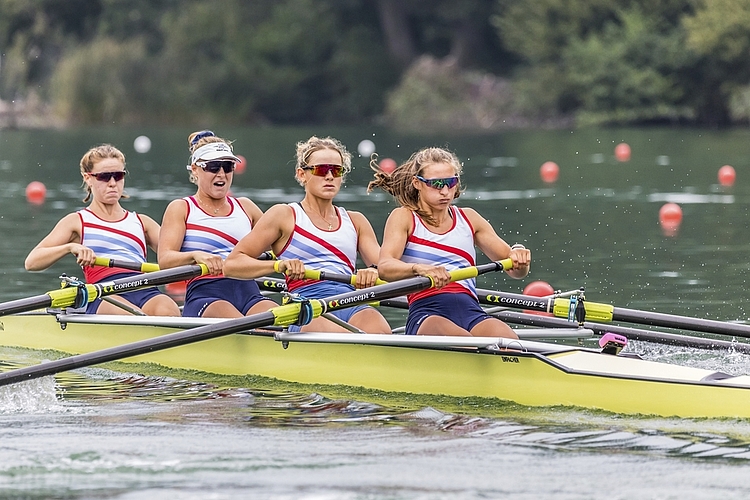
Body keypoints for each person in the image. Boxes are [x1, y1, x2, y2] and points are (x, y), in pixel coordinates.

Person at [224, 136, 391, 334]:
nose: (329, 176)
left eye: (336, 170)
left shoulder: (356, 221)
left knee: (380, 330)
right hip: (305, 306)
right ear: (302, 174)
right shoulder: (284, 215)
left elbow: (387, 269)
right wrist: (278, 265)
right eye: (321, 170)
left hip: (349, 301)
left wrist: (373, 271)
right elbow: (232, 265)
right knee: (347, 339)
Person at [368, 147, 531, 338]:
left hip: (471, 312)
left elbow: (516, 272)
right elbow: (385, 267)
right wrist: (419, 268)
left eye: (451, 182)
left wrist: (519, 255)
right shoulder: (404, 217)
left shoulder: (469, 218)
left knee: (511, 344)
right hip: (427, 313)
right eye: (436, 184)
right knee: (466, 344)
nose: (445, 191)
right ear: (417, 183)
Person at [24, 144, 180, 316]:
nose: (113, 183)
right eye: (104, 177)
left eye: (118, 176)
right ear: (88, 178)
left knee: (169, 309)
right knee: (132, 317)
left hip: (145, 289)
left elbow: (176, 256)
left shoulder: (142, 222)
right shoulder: (76, 222)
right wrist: (70, 248)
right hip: (104, 293)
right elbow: (32, 262)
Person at [158, 130, 276, 318]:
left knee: (278, 322)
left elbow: (284, 244)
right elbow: (165, 260)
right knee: (247, 327)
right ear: (195, 169)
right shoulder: (181, 208)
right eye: (213, 167)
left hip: (250, 293)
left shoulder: (246, 207)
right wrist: (196, 256)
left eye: (228, 166)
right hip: (205, 294)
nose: (221, 173)